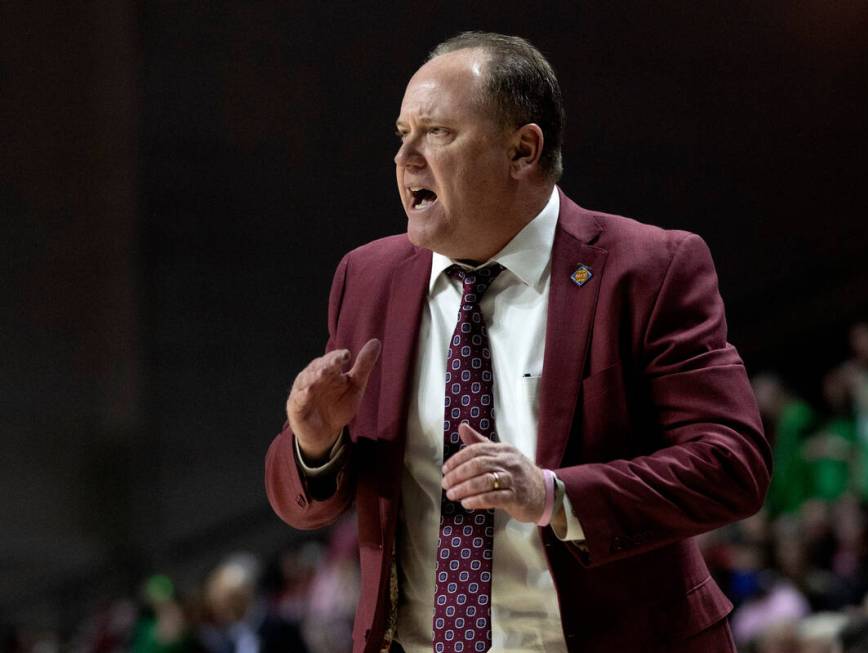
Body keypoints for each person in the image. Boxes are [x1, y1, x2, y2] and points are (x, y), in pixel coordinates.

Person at [265, 31, 771, 653]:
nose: (405, 158)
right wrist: (316, 444)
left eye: (438, 133)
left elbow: (732, 465)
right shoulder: (367, 278)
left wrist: (555, 496)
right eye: (402, 134)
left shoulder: (647, 269)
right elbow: (306, 505)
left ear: (523, 150)